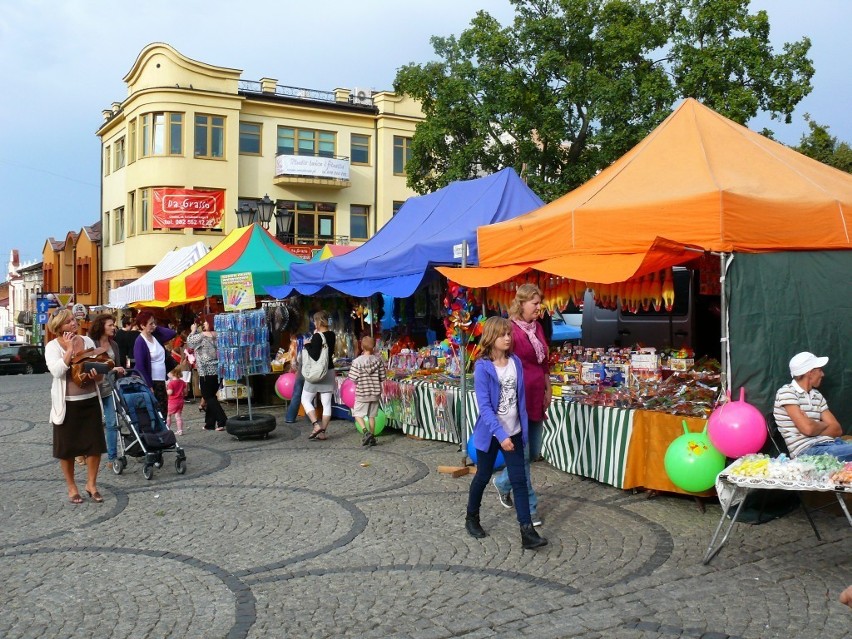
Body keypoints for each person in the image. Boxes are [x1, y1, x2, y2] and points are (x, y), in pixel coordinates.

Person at [465, 316, 547, 550]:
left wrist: (520, 430)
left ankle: (527, 531)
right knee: (482, 476)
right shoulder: (482, 367)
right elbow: (485, 408)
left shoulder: (516, 363)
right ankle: (472, 517)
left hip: (515, 431)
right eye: (503, 334)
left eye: (509, 334)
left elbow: (519, 399)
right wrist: (501, 436)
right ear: (491, 337)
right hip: (492, 434)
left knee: (520, 481)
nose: (508, 338)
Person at [491, 283, 550, 526]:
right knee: (523, 457)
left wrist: (547, 388)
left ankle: (503, 482)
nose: (539, 307)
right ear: (522, 303)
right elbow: (499, 361)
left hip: (537, 397)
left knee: (533, 452)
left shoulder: (537, 328)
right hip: (518, 399)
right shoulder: (510, 331)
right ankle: (530, 508)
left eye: (539, 303)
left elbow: (545, 361)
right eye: (535, 303)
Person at [45, 309, 107, 504]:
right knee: (67, 448)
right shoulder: (52, 346)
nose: (74, 323)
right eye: (69, 321)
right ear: (59, 327)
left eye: (74, 319)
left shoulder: (87, 341)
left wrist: (97, 374)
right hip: (67, 404)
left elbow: (98, 370)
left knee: (94, 445)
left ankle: (91, 484)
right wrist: (70, 350)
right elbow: (56, 371)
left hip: (89, 400)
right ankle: (72, 487)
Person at [773, 351, 852, 461]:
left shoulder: (817, 395)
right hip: (807, 452)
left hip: (832, 444)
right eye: (819, 370)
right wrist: (823, 425)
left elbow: (837, 430)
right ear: (810, 373)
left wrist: (814, 425)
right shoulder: (786, 392)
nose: (822, 374)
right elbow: (808, 429)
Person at [88, 313, 127, 471]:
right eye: (110, 325)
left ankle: (112, 457)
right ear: (101, 326)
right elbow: (87, 365)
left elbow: (118, 366)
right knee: (92, 424)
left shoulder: (114, 345)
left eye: (114, 325)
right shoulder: (91, 343)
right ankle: (85, 453)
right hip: (93, 389)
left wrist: (120, 371)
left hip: (110, 388)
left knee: (112, 422)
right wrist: (110, 368)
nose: (113, 327)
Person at [186, 314, 228, 431]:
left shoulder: (202, 336)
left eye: (205, 322)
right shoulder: (220, 335)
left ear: (210, 323)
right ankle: (210, 423)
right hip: (218, 370)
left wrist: (193, 331)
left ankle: (222, 420)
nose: (203, 324)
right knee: (211, 396)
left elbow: (190, 343)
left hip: (206, 371)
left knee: (208, 396)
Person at [133, 310, 177, 417]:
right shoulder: (140, 341)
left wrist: (154, 327)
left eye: (154, 323)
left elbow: (172, 333)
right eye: (150, 324)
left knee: (163, 410)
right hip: (152, 381)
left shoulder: (155, 336)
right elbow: (140, 365)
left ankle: (163, 432)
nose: (154, 325)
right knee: (155, 411)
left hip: (161, 379)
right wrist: (148, 385)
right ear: (142, 325)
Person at [302, 310, 336, 441]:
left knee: (305, 399)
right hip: (329, 371)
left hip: (316, 373)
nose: (314, 323)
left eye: (315, 320)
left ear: (319, 321)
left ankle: (316, 425)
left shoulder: (317, 336)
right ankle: (323, 432)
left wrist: (307, 345)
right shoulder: (332, 334)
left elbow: (315, 355)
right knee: (326, 403)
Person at [349, 335, 387, 447]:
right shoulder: (378, 360)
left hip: (362, 393)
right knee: (372, 416)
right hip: (374, 393)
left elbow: (352, 378)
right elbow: (382, 377)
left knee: (356, 414)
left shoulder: (357, 362)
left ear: (362, 346)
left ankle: (366, 432)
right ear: (374, 347)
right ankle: (372, 437)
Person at [283, 333, 307, 424]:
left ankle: (290, 417)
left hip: (300, 373)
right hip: (310, 373)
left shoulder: (295, 347)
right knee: (310, 396)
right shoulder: (308, 344)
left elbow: (293, 364)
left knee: (296, 395)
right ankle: (311, 418)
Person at [166, 366, 187, 435]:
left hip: (172, 401)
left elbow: (170, 392)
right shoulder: (182, 382)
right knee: (178, 416)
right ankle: (180, 430)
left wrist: (166, 390)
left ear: (172, 373)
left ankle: (167, 429)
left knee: (168, 415)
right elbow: (185, 392)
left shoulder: (171, 383)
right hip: (180, 401)